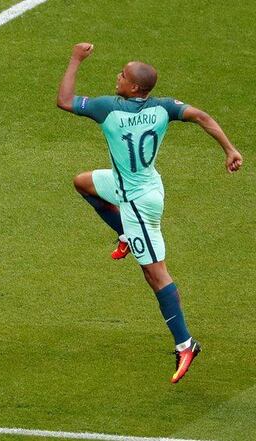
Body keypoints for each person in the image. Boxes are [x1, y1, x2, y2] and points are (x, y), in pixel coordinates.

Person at [57, 43, 242, 383]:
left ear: (134, 88)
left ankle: (185, 343)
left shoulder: (108, 109)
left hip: (137, 203)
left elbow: (65, 101)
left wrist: (75, 59)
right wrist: (229, 149)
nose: (118, 76)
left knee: (156, 275)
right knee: (83, 183)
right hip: (141, 184)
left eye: (123, 75)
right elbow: (201, 116)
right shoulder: (163, 108)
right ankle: (124, 233)